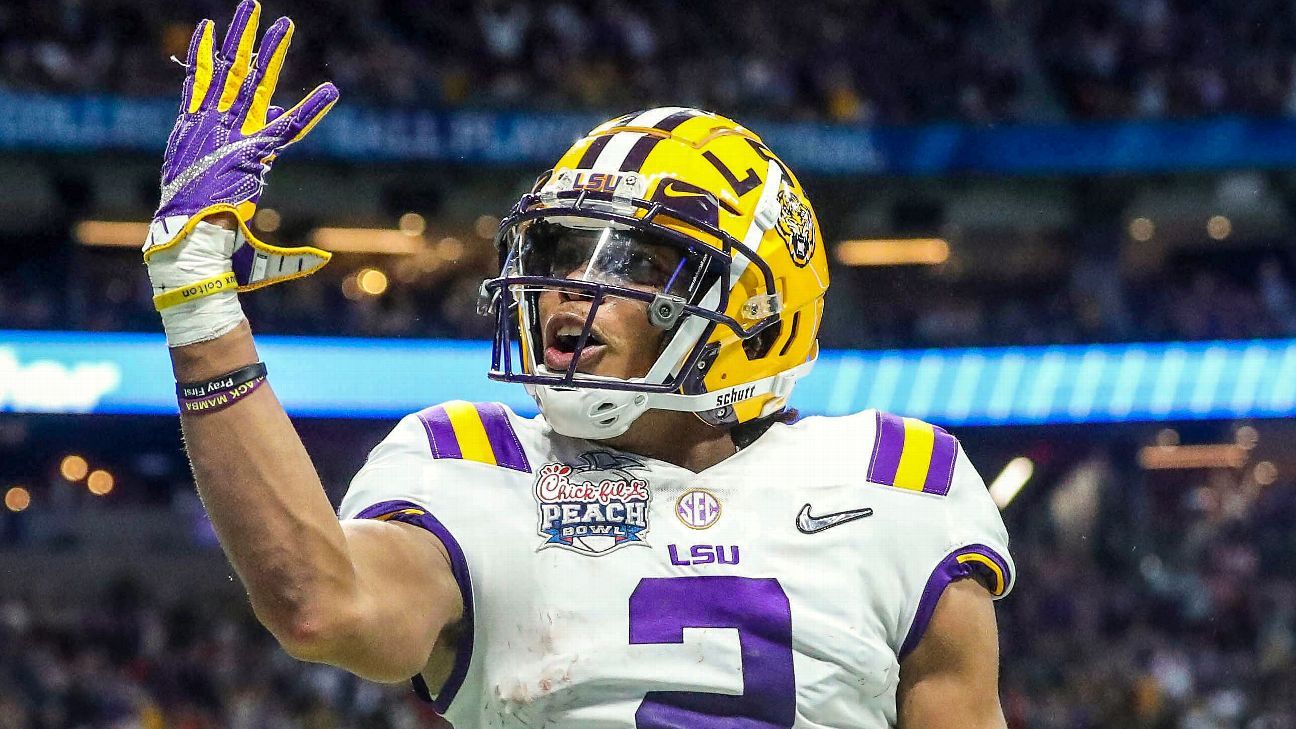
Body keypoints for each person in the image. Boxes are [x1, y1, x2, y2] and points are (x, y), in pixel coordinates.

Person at [142, 2, 1015, 726]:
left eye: (633, 263)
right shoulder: (474, 463)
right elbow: (319, 604)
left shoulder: (900, 480)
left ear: (755, 310)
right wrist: (199, 303)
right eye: (561, 253)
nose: (569, 292)